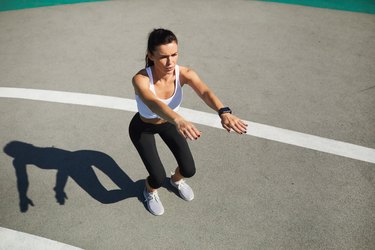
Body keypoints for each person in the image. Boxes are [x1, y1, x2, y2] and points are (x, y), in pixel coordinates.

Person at [129, 28, 248, 216]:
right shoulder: (140, 79)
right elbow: (153, 104)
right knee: (157, 178)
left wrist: (223, 111)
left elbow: (205, 92)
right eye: (163, 57)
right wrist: (178, 119)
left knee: (188, 169)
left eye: (174, 54)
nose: (170, 62)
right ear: (150, 55)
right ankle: (149, 191)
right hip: (143, 128)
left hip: (170, 124)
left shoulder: (185, 73)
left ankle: (175, 181)